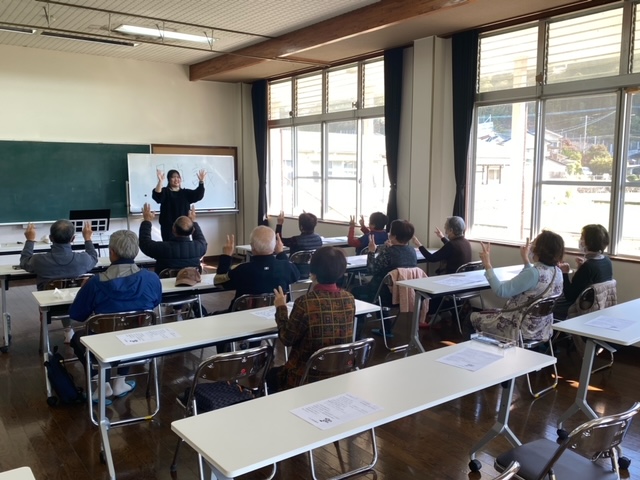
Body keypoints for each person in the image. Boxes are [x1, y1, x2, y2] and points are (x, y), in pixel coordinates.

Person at [69, 230, 162, 402]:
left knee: (77, 338)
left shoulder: (95, 282)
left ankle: (102, 385)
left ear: (112, 252)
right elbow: (155, 302)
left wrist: (84, 290)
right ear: (136, 251)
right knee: (129, 331)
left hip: (104, 343)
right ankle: (120, 382)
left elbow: (77, 315)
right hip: (139, 342)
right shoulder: (152, 278)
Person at [266, 246, 355, 392]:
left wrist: (281, 308)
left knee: (271, 375)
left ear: (313, 273)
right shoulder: (349, 299)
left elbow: (287, 339)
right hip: (338, 374)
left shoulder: (305, 303)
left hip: (304, 377)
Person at [470, 231, 564, 342]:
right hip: (541, 328)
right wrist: (526, 259)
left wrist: (487, 264)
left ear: (539, 249)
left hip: (517, 326)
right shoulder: (558, 272)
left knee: (471, 318)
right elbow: (534, 284)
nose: (532, 245)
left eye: (534, 243)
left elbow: (501, 290)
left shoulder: (533, 273)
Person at [20, 220, 98, 343]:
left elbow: (24, 262)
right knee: (67, 290)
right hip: (78, 302)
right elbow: (94, 257)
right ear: (73, 238)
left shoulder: (39, 260)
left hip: (50, 306)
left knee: (60, 291)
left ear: (51, 238)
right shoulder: (83, 259)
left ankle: (66, 331)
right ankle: (68, 329)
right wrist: (88, 239)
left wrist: (30, 240)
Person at [214, 226, 300, 312]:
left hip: (243, 315)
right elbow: (295, 275)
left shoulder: (242, 269)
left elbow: (219, 282)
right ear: (275, 246)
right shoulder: (287, 267)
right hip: (277, 313)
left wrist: (226, 256)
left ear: (252, 247)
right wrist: (281, 253)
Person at [553, 224, 614, 319]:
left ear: (589, 241)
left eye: (582, 238)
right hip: (597, 306)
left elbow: (569, 296)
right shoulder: (607, 261)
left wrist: (564, 273)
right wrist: (582, 267)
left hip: (577, 307)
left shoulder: (588, 266)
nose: (580, 240)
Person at [138, 203, 207, 275]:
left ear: (173, 229)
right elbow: (200, 238)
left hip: (165, 282)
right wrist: (193, 222)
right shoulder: (200, 247)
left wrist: (147, 221)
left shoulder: (162, 248)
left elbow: (144, 243)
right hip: (191, 281)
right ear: (193, 231)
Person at [152, 168, 206, 241]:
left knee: (184, 246)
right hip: (168, 228)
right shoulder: (165, 191)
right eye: (173, 177)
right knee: (169, 247)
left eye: (178, 177)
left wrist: (201, 182)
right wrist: (160, 181)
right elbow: (158, 196)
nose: (176, 179)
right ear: (169, 179)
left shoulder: (185, 193)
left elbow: (198, 195)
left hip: (184, 226)